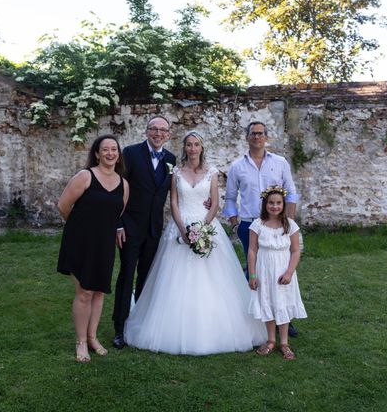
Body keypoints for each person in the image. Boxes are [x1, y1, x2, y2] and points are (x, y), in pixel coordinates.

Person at [124, 131, 267, 355]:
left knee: (216, 281)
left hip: (206, 226)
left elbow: (214, 204)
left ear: (202, 147)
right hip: (179, 227)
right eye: (189, 145)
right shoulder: (176, 172)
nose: (192, 148)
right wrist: (183, 230)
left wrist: (202, 228)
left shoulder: (211, 172)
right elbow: (173, 202)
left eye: (196, 144)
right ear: (185, 148)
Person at [223, 120, 302, 338]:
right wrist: (235, 225)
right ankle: (257, 319)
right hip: (249, 224)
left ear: (266, 137)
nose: (256, 137)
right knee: (254, 270)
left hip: (278, 224)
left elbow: (291, 192)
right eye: (252, 134)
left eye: (260, 133)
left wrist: (289, 222)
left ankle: (284, 319)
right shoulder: (237, 166)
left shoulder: (280, 162)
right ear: (247, 137)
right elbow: (230, 198)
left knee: (282, 269)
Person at [57, 134, 129, 362]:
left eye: (114, 150)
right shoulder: (85, 176)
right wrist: (81, 228)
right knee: (84, 292)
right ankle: (80, 342)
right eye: (105, 149)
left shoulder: (124, 184)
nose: (110, 153)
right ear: (97, 154)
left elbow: (117, 213)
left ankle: (92, 337)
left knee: (99, 291)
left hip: (104, 243)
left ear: (118, 155)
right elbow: (63, 205)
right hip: (80, 241)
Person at [111, 116, 177, 349]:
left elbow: (176, 191)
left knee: (147, 277)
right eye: (154, 129)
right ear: (146, 131)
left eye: (163, 130)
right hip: (129, 227)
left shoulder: (171, 159)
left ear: (168, 134)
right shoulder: (130, 153)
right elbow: (119, 189)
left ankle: (139, 323)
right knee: (127, 275)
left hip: (154, 229)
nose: (158, 133)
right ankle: (119, 327)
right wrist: (118, 223)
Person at [248, 186, 307, 360]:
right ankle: (271, 340)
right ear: (265, 204)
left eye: (278, 203)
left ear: (283, 204)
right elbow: (252, 250)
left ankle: (284, 343)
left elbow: (296, 251)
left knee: (282, 302)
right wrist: (252, 275)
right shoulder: (257, 224)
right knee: (268, 301)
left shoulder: (290, 225)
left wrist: (289, 273)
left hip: (283, 270)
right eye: (271, 203)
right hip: (264, 269)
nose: (275, 206)